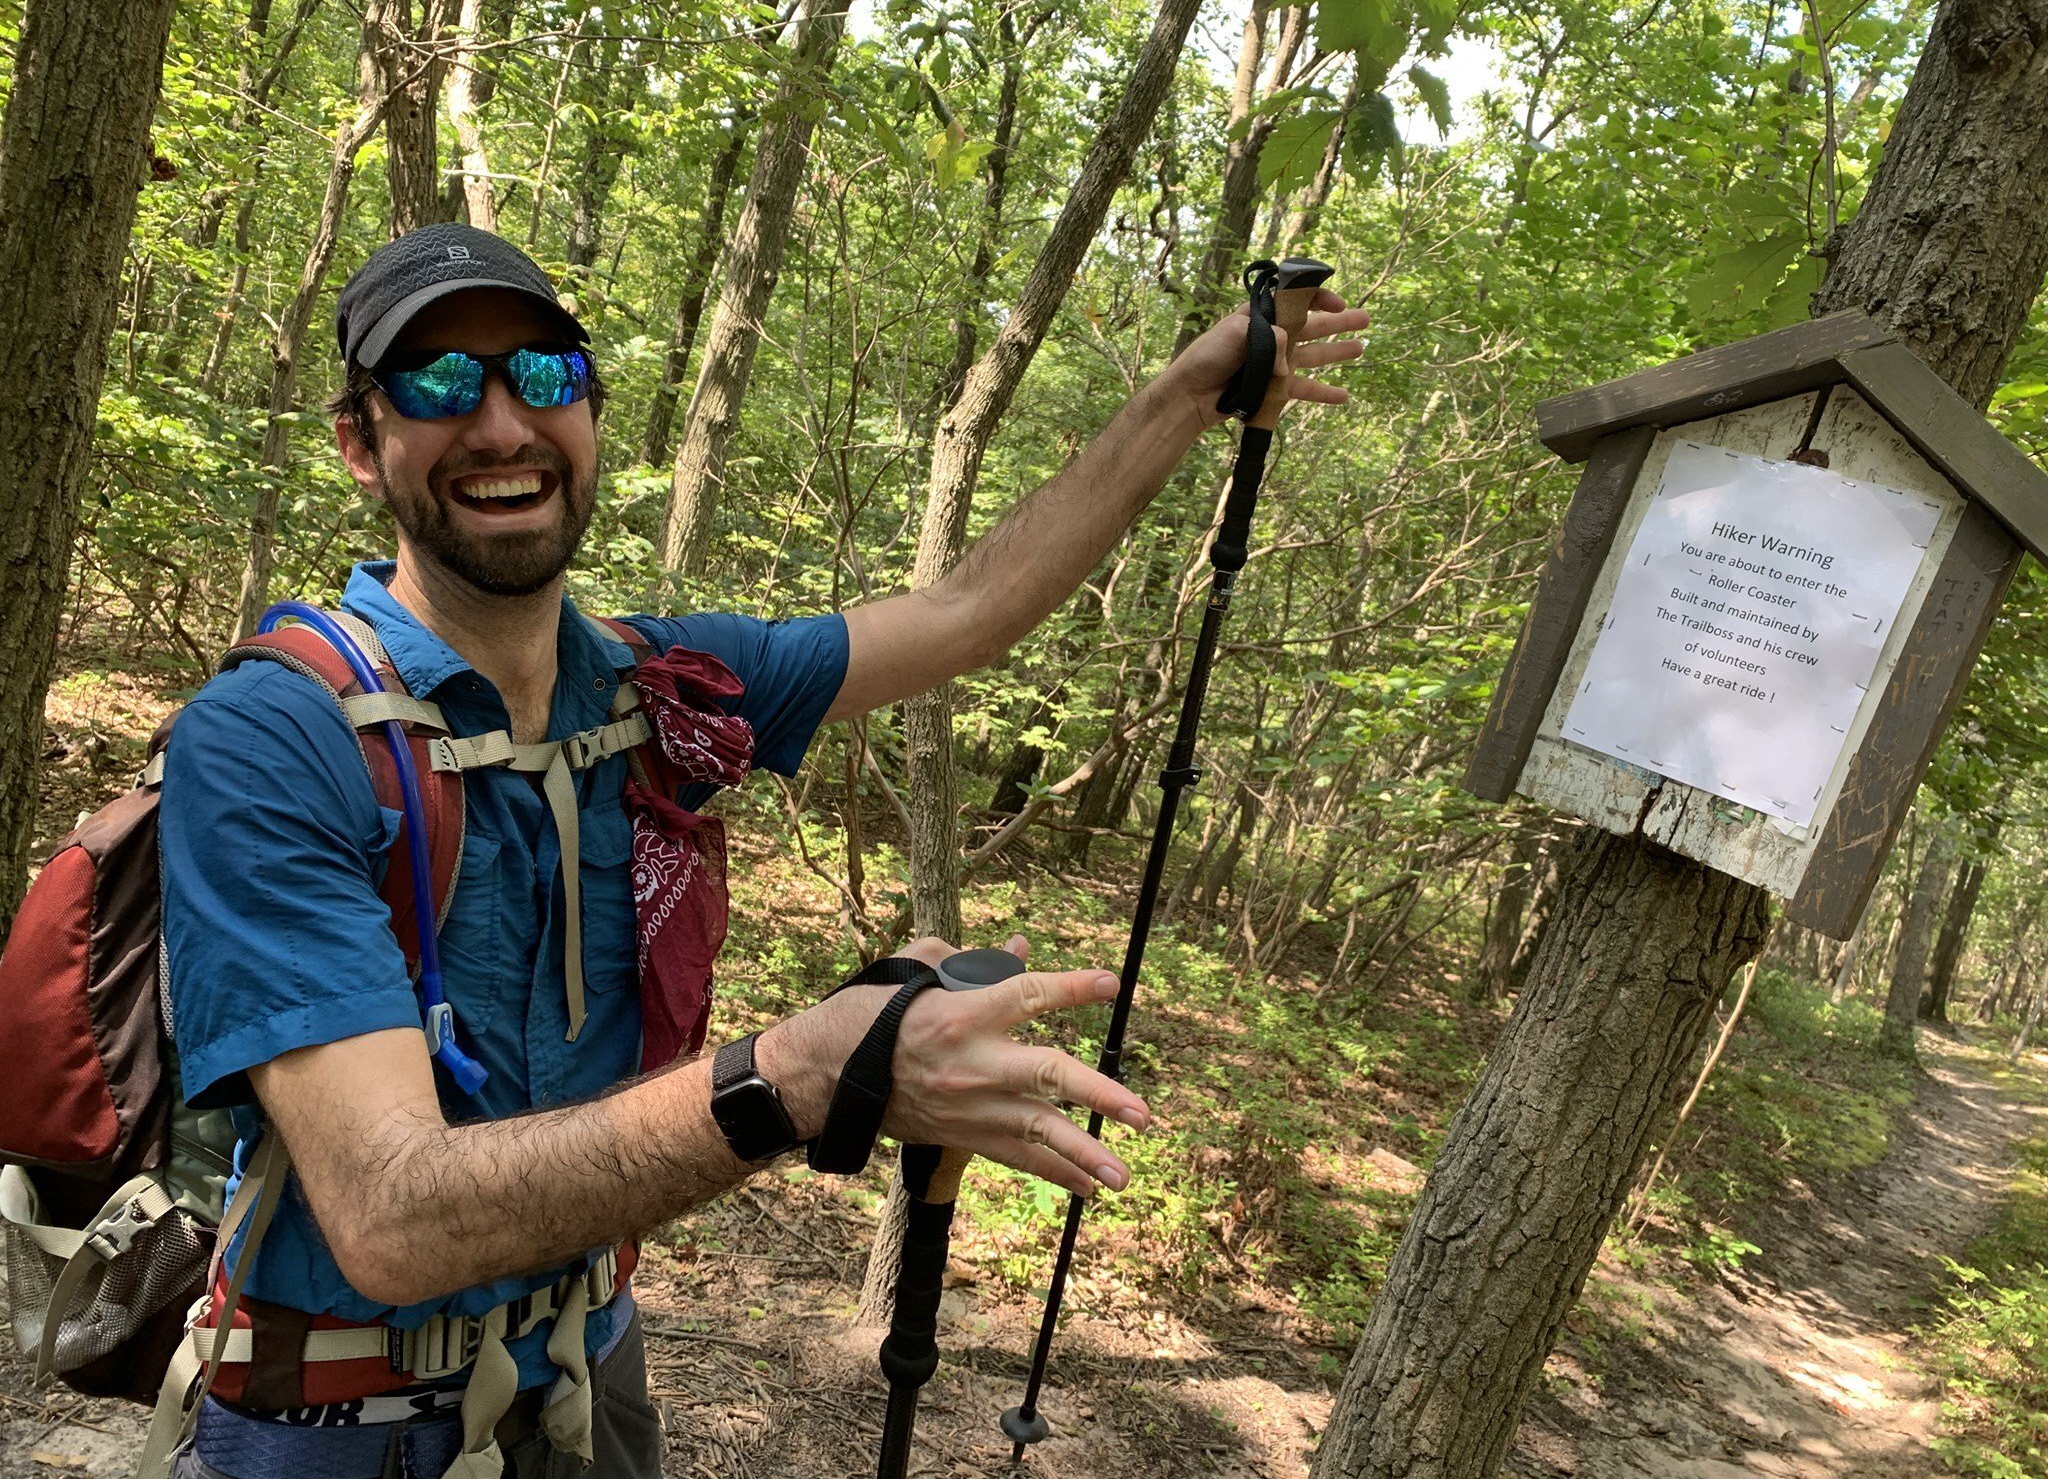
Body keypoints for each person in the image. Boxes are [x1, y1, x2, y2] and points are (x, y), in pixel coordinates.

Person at [158, 223, 1366, 1478]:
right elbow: (390, 1220)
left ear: (590, 416)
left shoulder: (658, 686)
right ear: (362, 443)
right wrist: (789, 1077)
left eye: (544, 376)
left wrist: (1187, 390)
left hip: (588, 1375)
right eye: (440, 384)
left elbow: (964, 613)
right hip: (337, 1430)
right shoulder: (271, 736)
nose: (504, 425)